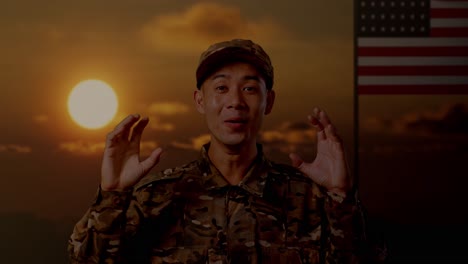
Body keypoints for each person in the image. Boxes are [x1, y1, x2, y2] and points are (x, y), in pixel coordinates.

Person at [68, 39, 367, 263]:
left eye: (249, 88)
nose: (235, 101)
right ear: (199, 101)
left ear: (269, 101)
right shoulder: (154, 199)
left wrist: (342, 198)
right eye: (221, 88)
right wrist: (112, 196)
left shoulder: (311, 201)